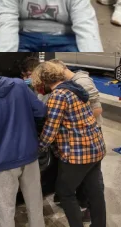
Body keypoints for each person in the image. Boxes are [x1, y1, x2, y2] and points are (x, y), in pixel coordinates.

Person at [34, 60, 106, 227]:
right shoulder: (75, 89)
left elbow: (51, 129)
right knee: (95, 192)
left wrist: (38, 147)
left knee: (65, 192)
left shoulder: (58, 95)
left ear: (43, 79)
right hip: (96, 148)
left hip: (78, 153)